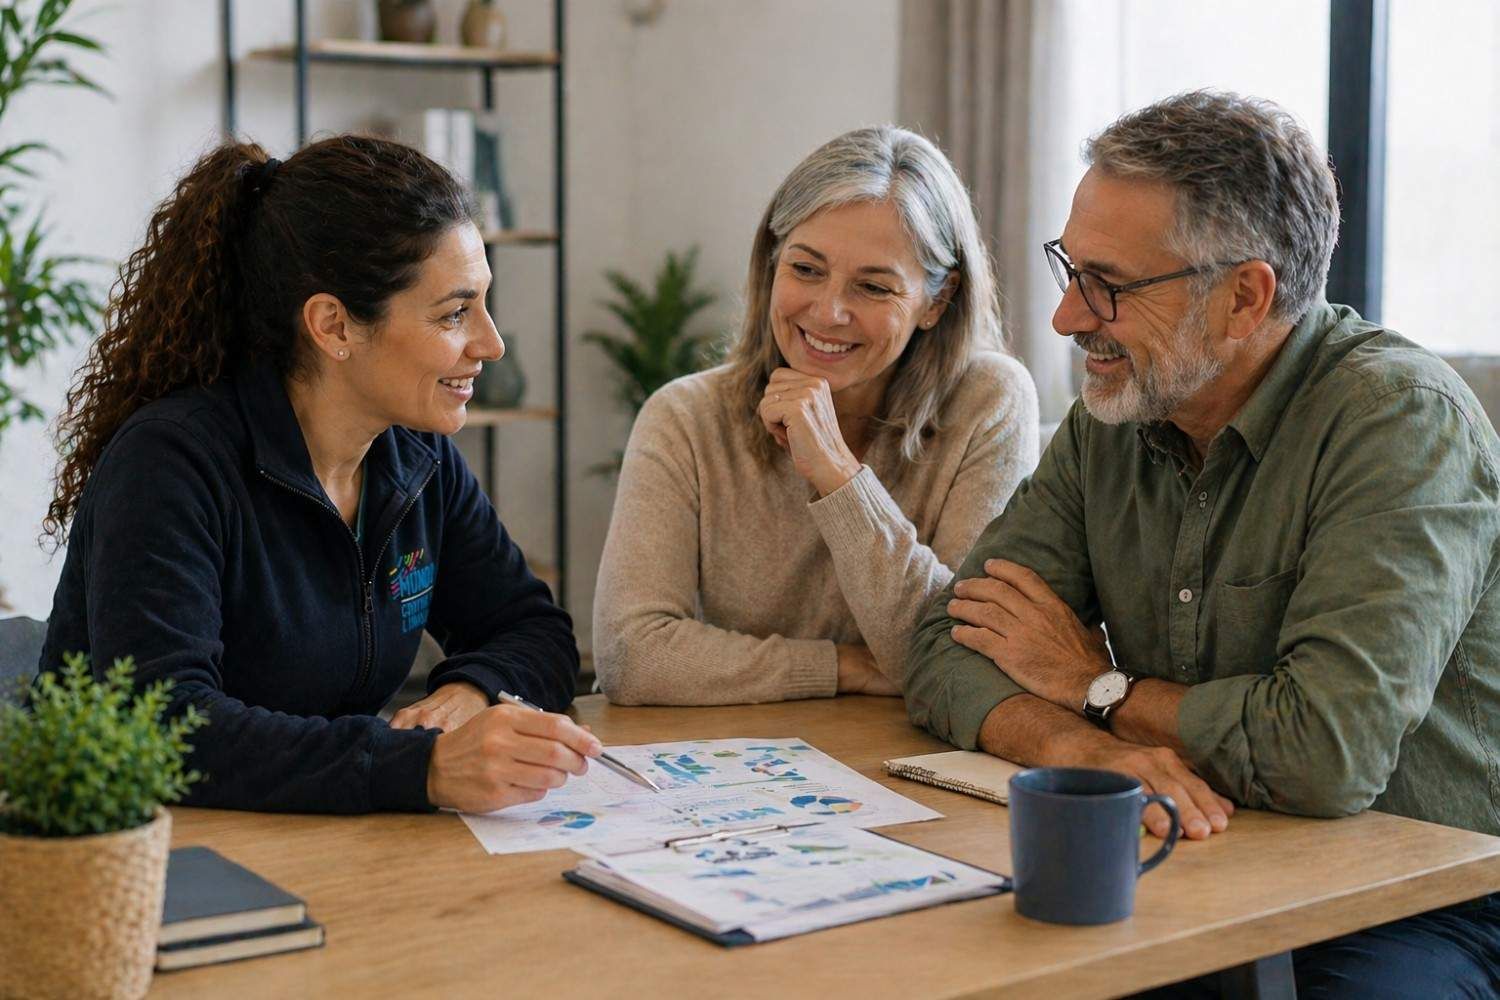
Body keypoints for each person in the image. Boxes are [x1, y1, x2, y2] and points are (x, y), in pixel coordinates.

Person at [905, 90, 1499, 995]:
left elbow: (1326, 754)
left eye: (1108, 285)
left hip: (1419, 900)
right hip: (1200, 859)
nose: (1067, 317)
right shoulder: (1115, 414)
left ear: (1243, 298)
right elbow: (947, 645)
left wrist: (1095, 687)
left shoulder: (1399, 422)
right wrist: (1086, 751)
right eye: (1070, 268)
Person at [41, 136, 601, 816]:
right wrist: (418, 767)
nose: (492, 343)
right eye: (455, 313)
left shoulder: (418, 460)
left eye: (483, 304)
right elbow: (166, 726)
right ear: (334, 326)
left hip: (317, 834)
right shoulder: (169, 464)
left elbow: (535, 630)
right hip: (145, 850)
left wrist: (472, 692)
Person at [593, 126, 1038, 705]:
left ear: (938, 300)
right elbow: (630, 654)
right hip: (740, 748)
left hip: (914, 749)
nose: (828, 312)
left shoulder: (990, 401)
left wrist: (839, 476)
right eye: (805, 269)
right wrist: (843, 667)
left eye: (873, 287)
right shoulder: (685, 416)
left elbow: (963, 658)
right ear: (771, 263)